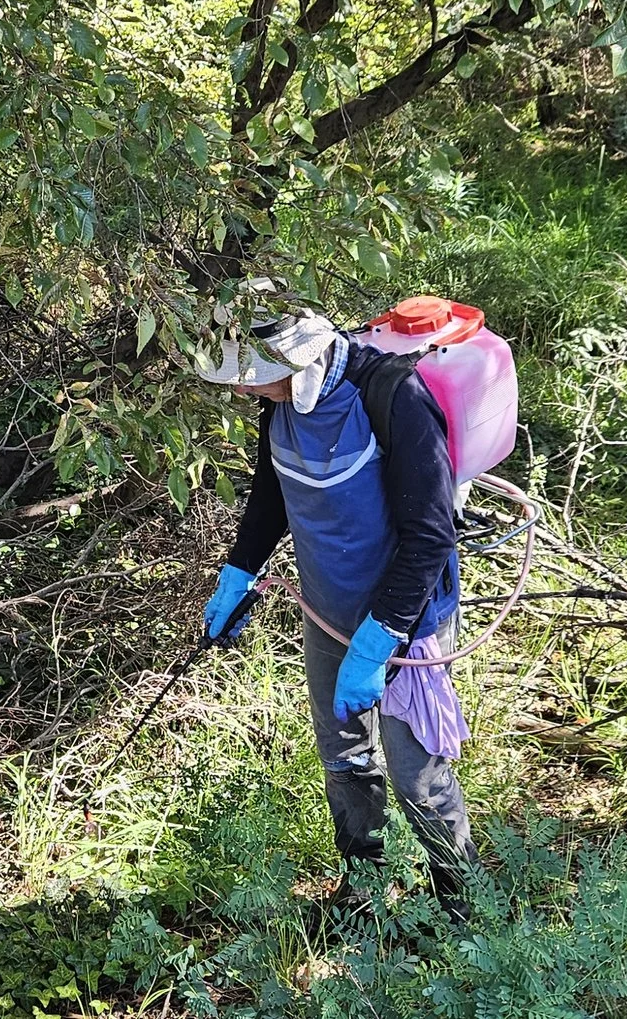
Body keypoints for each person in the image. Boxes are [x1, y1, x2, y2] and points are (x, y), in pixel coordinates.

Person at [195, 306, 476, 911]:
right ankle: (366, 897)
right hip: (326, 610)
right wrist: (238, 574)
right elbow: (273, 491)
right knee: (344, 759)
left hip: (407, 619)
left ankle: (464, 907)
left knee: (415, 777)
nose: (241, 388)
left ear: (294, 365)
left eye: (248, 376)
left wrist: (379, 643)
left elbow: (430, 538)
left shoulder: (394, 398)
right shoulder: (283, 399)